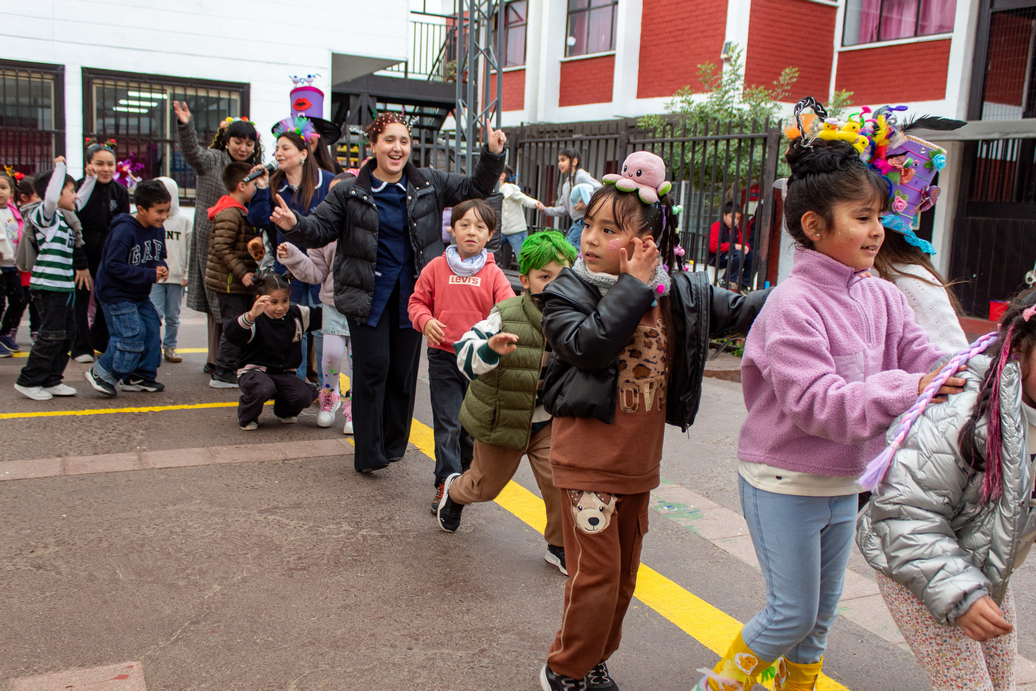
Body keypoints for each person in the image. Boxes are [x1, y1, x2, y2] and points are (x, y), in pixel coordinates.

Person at [693, 103, 958, 691]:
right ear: (814, 226)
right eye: (862, 217)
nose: (877, 230)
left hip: (846, 481)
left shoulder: (882, 295)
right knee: (791, 613)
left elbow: (921, 353)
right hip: (783, 480)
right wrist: (909, 387)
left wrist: (967, 371)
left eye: (879, 216)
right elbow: (818, 403)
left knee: (818, 621)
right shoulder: (792, 305)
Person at [537, 152, 768, 691]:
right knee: (595, 576)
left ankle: (595, 659)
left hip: (637, 467)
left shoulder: (678, 294)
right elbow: (588, 346)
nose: (590, 239)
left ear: (646, 244)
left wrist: (809, 287)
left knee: (622, 579)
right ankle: (563, 669)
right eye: (589, 225)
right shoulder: (566, 292)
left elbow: (742, 310)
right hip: (586, 463)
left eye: (608, 230)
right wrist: (633, 287)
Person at [268, 112, 507, 474]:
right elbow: (320, 228)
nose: (397, 148)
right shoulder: (349, 190)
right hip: (367, 295)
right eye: (389, 140)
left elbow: (477, 188)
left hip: (414, 295)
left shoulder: (429, 182)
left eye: (404, 141)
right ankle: (368, 452)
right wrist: (294, 225)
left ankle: (394, 444)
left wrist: (491, 154)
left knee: (401, 373)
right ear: (373, 146)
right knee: (373, 368)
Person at [856, 289, 1036, 691]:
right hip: (916, 562)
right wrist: (961, 594)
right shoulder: (963, 409)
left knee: (1001, 684)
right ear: (1021, 349)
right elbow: (904, 512)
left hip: (985, 560)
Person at [437, 230, 576, 576]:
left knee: (560, 483)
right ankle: (454, 492)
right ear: (525, 280)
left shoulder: (575, 317)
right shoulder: (505, 314)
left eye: (562, 276)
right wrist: (489, 349)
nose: (554, 285)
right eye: (544, 276)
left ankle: (559, 546)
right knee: (484, 487)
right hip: (502, 420)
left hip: (546, 421)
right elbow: (464, 354)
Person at [408, 198, 515, 509]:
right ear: (451, 230)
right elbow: (416, 303)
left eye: (480, 227)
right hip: (443, 357)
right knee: (448, 424)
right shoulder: (435, 267)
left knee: (472, 426)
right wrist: (425, 321)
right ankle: (446, 481)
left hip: (480, 362)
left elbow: (507, 310)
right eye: (464, 225)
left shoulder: (494, 275)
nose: (471, 232)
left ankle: (464, 477)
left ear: (490, 234)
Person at [173, 101, 262, 376]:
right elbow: (192, 152)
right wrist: (186, 125)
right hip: (212, 240)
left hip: (244, 244)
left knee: (238, 302)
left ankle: (231, 359)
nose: (243, 148)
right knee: (218, 299)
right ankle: (216, 360)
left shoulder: (255, 169)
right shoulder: (213, 159)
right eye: (238, 141)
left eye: (249, 143)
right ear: (226, 140)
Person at [248, 118, 335, 387]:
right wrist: (262, 188)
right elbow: (258, 219)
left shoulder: (327, 181)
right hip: (288, 269)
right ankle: (294, 384)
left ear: (303, 153)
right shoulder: (274, 185)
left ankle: (326, 388)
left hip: (321, 269)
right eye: (277, 149)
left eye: (285, 148)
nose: (278, 154)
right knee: (293, 327)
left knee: (322, 328)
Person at [84, 180, 170, 397]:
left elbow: (158, 255)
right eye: (159, 211)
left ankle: (140, 376)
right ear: (141, 209)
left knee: (151, 329)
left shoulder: (158, 229)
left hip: (138, 293)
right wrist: (149, 274)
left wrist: (161, 267)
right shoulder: (124, 230)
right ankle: (102, 373)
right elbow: (113, 265)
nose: (164, 216)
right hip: (115, 293)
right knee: (130, 334)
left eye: (167, 210)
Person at [14, 158, 91, 401]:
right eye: (71, 191)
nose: (75, 196)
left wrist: (89, 178)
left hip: (64, 288)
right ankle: (29, 381)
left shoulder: (66, 219)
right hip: (48, 287)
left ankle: (51, 379)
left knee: (68, 334)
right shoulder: (45, 217)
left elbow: (81, 199)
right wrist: (60, 168)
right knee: (50, 335)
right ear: (56, 192)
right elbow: (49, 199)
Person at [223, 273, 321, 430]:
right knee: (263, 387)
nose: (280, 307)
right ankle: (248, 416)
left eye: (285, 301)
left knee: (304, 394)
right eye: (274, 302)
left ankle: (285, 411)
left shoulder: (297, 315)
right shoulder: (254, 319)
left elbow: (322, 315)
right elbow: (231, 334)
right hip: (255, 373)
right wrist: (251, 315)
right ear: (260, 299)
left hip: (284, 374)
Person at [204, 161, 264, 388]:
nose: (256, 188)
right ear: (242, 185)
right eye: (254, 184)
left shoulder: (235, 210)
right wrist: (242, 273)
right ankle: (223, 372)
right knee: (234, 327)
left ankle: (229, 368)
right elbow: (222, 248)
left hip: (233, 282)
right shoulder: (230, 213)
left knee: (238, 325)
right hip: (230, 283)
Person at [71, 140, 130, 363]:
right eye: (99, 164)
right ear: (88, 165)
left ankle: (100, 340)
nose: (106, 169)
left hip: (109, 258)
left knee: (107, 298)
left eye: (110, 164)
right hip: (82, 256)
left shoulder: (120, 192)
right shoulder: (79, 189)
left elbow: (123, 227)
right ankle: (80, 347)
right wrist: (80, 264)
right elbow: (73, 227)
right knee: (81, 301)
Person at [150, 178, 192, 364]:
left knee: (173, 316)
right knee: (155, 314)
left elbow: (190, 249)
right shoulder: (153, 220)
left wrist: (187, 274)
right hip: (155, 276)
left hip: (177, 278)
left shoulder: (184, 221)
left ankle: (170, 347)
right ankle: (153, 347)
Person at [538, 147, 601, 248]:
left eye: (563, 160)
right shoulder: (566, 185)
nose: (559, 163)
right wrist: (545, 209)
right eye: (559, 161)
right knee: (570, 249)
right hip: (577, 223)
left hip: (584, 222)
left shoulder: (580, 176)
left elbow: (600, 190)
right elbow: (564, 209)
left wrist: (586, 202)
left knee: (569, 250)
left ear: (574, 161)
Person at [0, 169, 25, 356]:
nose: (0, 192)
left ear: (11, 192)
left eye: (3, 187)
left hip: (13, 265)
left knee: (19, 300)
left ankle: (4, 333)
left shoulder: (13, 211)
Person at [497, 165, 542, 263]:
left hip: (516, 231)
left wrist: (535, 203)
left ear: (502, 176)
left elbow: (523, 198)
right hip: (502, 231)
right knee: (488, 250)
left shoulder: (510, 189)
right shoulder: (496, 190)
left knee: (523, 260)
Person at [708, 201, 755, 291]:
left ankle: (744, 283)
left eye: (737, 218)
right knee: (738, 254)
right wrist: (734, 246)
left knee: (754, 255)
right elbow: (713, 247)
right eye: (732, 217)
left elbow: (742, 242)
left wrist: (746, 247)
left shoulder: (736, 230)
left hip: (733, 256)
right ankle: (725, 280)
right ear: (724, 215)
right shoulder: (716, 226)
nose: (735, 221)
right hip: (719, 258)